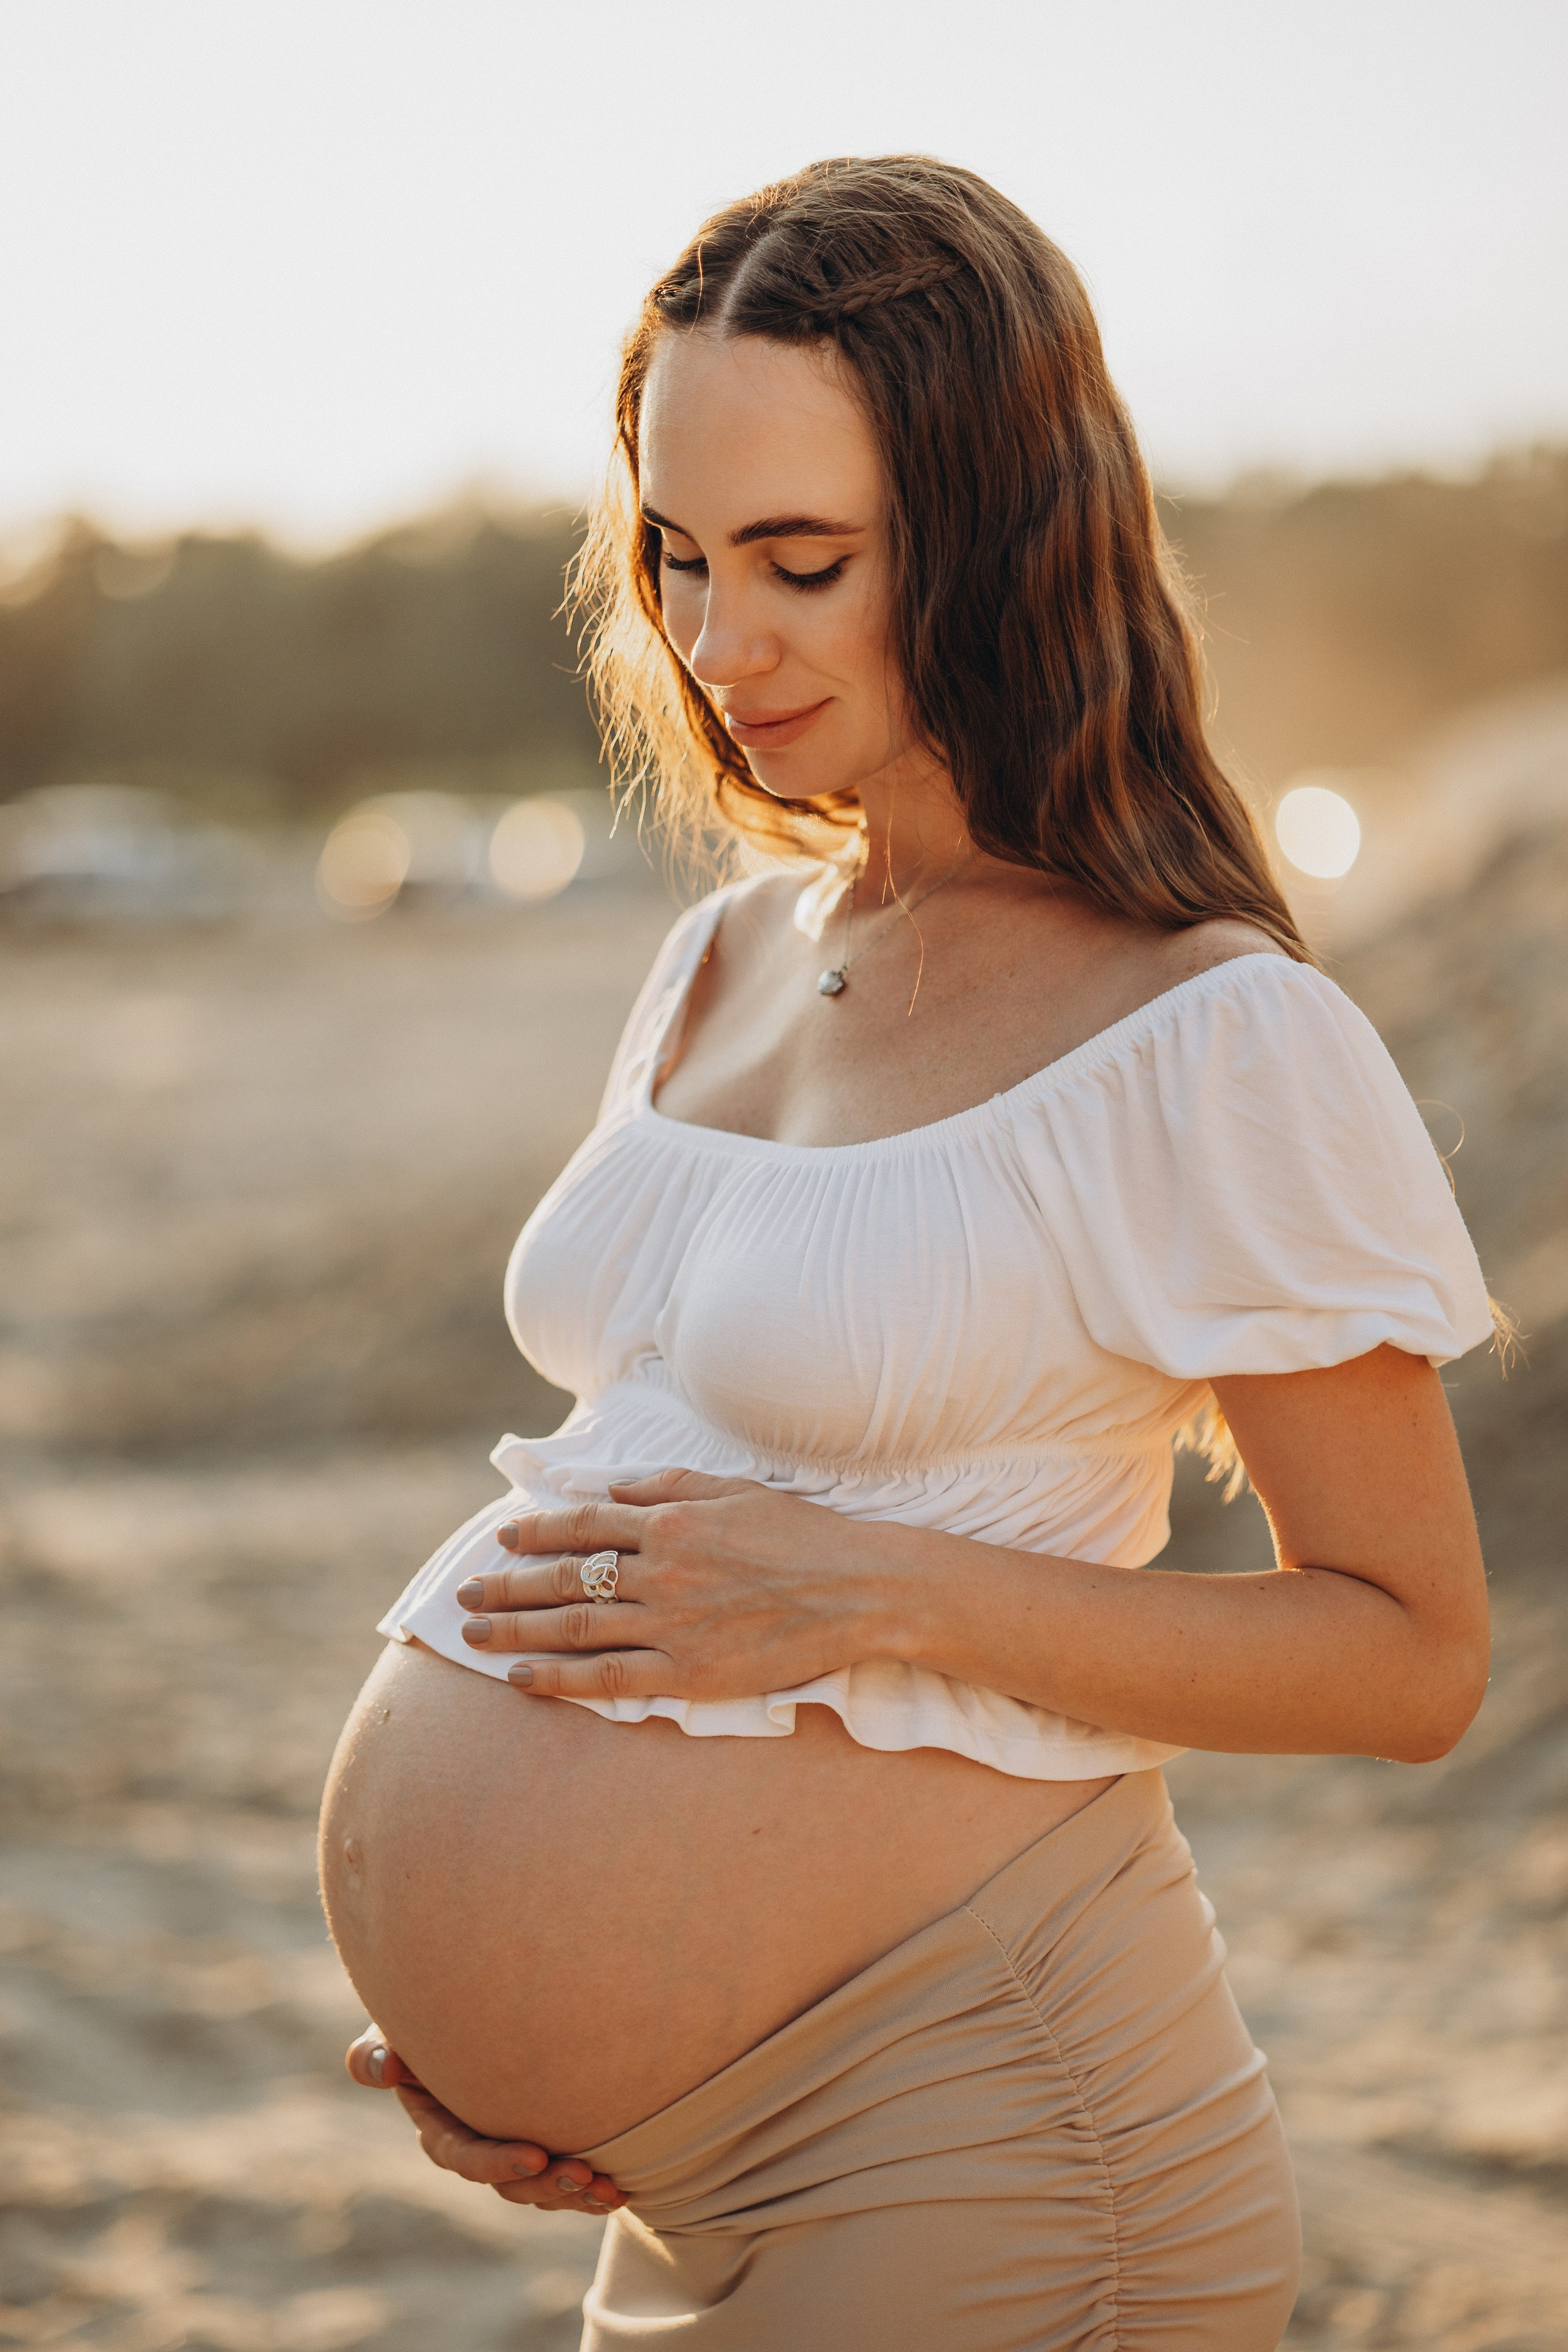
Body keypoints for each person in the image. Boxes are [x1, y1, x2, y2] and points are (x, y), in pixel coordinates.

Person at [319, 156, 1496, 2350]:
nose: (713, 641)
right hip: (667, 2190)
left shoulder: (1206, 1027)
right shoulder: (716, 962)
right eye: (674, 554)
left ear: (998, 536)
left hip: (992, 2137)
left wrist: (880, 1593)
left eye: (801, 562)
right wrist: (517, 2039)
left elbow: (1412, 1656)